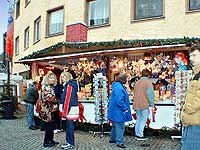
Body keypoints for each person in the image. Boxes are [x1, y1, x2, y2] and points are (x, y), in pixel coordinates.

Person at [180, 43, 200, 150]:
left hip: (196, 121)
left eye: (194, 55)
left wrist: (188, 108)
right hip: (192, 120)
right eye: (190, 56)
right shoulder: (196, 73)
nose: (191, 58)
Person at [108, 73, 132, 149]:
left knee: (115, 125)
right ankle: (119, 142)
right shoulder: (119, 87)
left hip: (115, 109)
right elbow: (119, 100)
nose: (128, 81)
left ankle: (112, 139)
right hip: (118, 110)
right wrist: (125, 108)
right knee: (120, 126)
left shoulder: (117, 86)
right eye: (127, 79)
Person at [133, 68, 155, 141]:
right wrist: (152, 104)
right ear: (148, 74)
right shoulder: (148, 82)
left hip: (137, 103)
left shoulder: (137, 82)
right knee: (143, 119)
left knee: (138, 119)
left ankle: (137, 133)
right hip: (144, 103)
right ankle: (140, 134)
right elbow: (150, 95)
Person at [39, 71, 59, 147]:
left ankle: (51, 140)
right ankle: (47, 142)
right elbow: (50, 98)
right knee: (49, 127)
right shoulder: (46, 86)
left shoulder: (50, 86)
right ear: (47, 78)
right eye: (51, 77)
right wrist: (58, 100)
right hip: (47, 110)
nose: (53, 79)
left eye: (54, 78)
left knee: (51, 126)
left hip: (50, 110)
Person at [60, 72, 79, 149]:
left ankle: (70, 143)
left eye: (64, 77)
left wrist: (64, 111)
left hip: (69, 110)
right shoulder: (70, 85)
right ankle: (69, 142)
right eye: (62, 77)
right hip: (70, 109)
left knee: (69, 127)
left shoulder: (69, 86)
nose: (62, 79)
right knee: (69, 126)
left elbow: (68, 100)